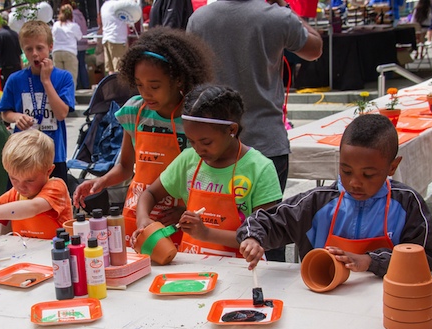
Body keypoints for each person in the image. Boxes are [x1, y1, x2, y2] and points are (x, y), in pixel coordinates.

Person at [187, 0, 323, 261]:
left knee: (217, 231)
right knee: (269, 236)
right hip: (266, 143)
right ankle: (272, 299)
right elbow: (314, 48)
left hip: (213, 143)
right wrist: (287, 8)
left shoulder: (199, 19)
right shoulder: (278, 16)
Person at [237, 114, 432, 277]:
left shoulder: (407, 203)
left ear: (392, 166)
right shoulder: (316, 202)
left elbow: (423, 259)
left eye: (368, 174)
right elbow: (264, 221)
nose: (355, 183)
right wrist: (253, 238)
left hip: (385, 302)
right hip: (323, 299)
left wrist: (369, 261)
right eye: (346, 170)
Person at [73, 27, 214, 244]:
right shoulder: (133, 112)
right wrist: (100, 182)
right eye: (139, 85)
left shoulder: (193, 118)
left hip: (178, 219)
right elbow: (125, 167)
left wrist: (186, 210)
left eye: (154, 86)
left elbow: (207, 176)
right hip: (137, 213)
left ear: (178, 80)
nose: (146, 93)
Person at [131, 84, 282, 257]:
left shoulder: (259, 169)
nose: (198, 149)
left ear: (232, 130)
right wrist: (143, 219)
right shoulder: (188, 161)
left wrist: (207, 234)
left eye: (206, 142)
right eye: (192, 141)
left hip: (241, 270)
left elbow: (266, 234)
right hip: (193, 268)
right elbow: (149, 193)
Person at [0, 20, 75, 183]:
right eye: (29, 49)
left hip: (53, 155)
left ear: (50, 47)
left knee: (53, 202)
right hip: (23, 153)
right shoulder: (15, 80)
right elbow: (5, 112)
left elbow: (61, 114)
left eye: (39, 48)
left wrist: (46, 81)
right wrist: (16, 117)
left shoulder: (63, 77)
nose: (34, 54)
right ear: (23, 51)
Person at [0, 129, 74, 240]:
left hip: (57, 253)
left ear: (48, 171)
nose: (21, 186)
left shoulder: (56, 187)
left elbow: (33, 207)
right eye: (13, 178)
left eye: (29, 180)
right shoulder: (13, 194)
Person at [51, 4, 82, 89]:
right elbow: (79, 36)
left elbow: (52, 36)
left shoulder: (56, 25)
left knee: (58, 78)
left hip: (57, 51)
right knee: (70, 77)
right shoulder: (73, 26)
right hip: (69, 52)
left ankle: (59, 97)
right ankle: (70, 98)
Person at [98, 0, 129, 74]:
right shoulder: (118, 5)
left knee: (111, 70)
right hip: (117, 39)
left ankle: (112, 85)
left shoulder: (104, 6)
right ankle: (119, 86)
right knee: (120, 68)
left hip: (107, 38)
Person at [0, 12, 22, 91]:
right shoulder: (15, 34)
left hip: (6, 70)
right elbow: (19, 54)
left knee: (8, 92)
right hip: (17, 68)